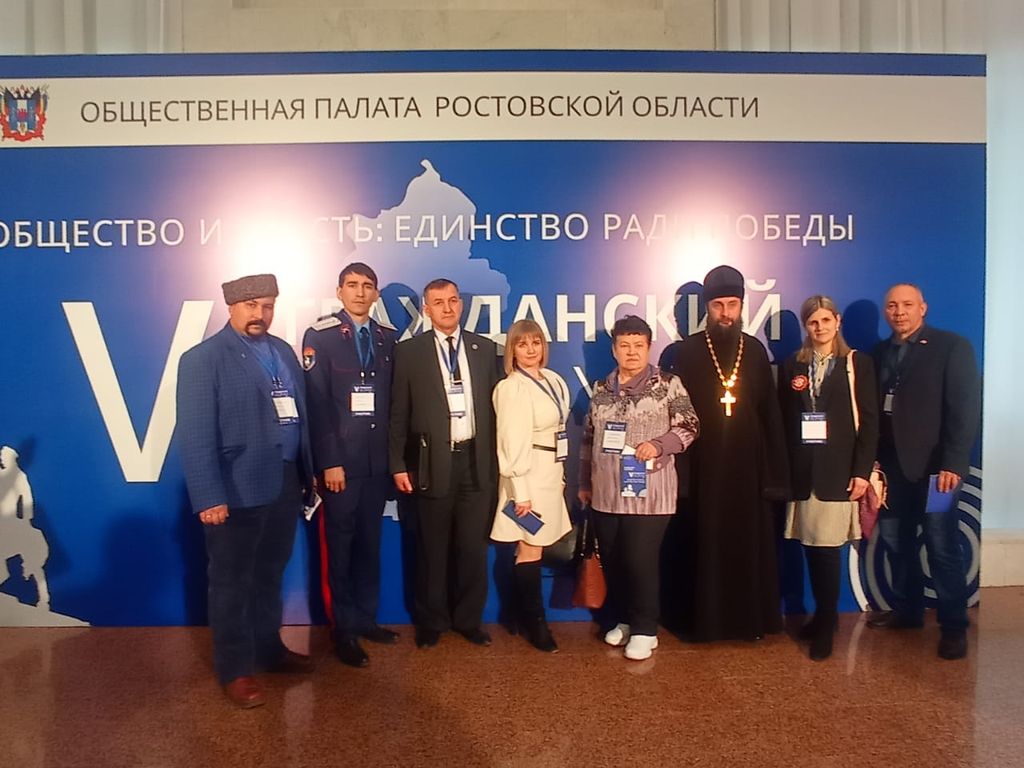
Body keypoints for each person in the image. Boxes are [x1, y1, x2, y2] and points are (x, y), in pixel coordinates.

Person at [176, 273, 316, 708]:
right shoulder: (202, 359)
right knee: (231, 584)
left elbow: (299, 417)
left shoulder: (283, 352)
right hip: (234, 491)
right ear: (232, 307)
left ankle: (269, 650)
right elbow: (195, 434)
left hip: (284, 483)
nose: (260, 314)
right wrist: (209, 496)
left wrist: (307, 473)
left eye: (268, 305)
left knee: (269, 576)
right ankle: (235, 670)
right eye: (251, 305)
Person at [674, 265, 789, 642]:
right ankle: (705, 623)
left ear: (741, 306)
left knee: (748, 543)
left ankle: (748, 622)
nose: (726, 313)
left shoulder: (753, 350)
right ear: (707, 308)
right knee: (704, 543)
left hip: (747, 469)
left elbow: (770, 415)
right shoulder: (688, 351)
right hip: (704, 467)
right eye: (718, 305)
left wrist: (774, 476)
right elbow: (676, 418)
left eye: (732, 305)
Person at [868, 283, 981, 660]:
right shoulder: (879, 353)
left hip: (938, 472)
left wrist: (953, 462)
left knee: (940, 543)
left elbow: (964, 410)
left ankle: (954, 626)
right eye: (892, 306)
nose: (899, 312)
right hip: (892, 470)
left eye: (907, 304)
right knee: (894, 539)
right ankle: (909, 612)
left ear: (923, 308)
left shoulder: (952, 347)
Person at [388, 278, 501, 649]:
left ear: (461, 305)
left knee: (472, 549)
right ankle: (431, 622)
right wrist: (397, 464)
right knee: (431, 549)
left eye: (453, 300)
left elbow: (497, 412)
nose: (447, 308)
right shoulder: (409, 352)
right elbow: (398, 413)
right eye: (438, 302)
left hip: (476, 462)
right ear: (426, 309)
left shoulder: (484, 349)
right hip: (430, 462)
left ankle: (469, 620)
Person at [578, 315, 699, 660]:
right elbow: (588, 438)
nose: (631, 352)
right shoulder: (601, 388)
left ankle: (646, 629)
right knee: (614, 560)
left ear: (648, 348)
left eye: (638, 345)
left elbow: (690, 426)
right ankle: (625, 620)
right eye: (624, 345)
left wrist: (659, 445)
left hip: (651, 494)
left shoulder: (669, 385)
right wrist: (585, 482)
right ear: (614, 349)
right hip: (606, 493)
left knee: (639, 561)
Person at [302, 262, 399, 668]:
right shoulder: (320, 336)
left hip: (376, 464)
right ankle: (343, 631)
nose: (360, 292)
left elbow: (394, 403)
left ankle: (365, 620)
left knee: (369, 546)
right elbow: (317, 404)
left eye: (367, 286)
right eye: (352, 285)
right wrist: (329, 462)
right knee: (339, 550)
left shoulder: (388, 337)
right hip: (340, 466)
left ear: (375, 294)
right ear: (339, 291)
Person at [778, 296, 878, 660]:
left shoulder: (857, 364)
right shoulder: (794, 364)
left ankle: (826, 623)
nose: (819, 328)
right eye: (812, 322)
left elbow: (869, 422)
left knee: (827, 551)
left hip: (838, 472)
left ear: (837, 321)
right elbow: (785, 418)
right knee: (809, 546)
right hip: (803, 472)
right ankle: (824, 616)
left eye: (825, 320)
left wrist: (861, 472)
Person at [490, 319, 573, 653]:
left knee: (533, 546)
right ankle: (536, 624)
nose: (530, 350)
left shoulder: (552, 379)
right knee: (530, 546)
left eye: (535, 343)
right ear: (512, 349)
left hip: (551, 473)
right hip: (527, 477)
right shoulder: (511, 388)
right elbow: (511, 444)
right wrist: (521, 493)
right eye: (522, 344)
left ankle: (514, 612)